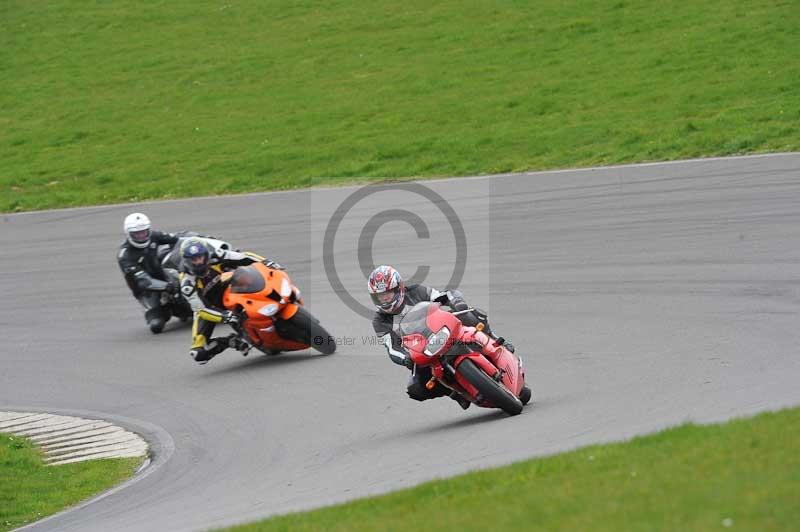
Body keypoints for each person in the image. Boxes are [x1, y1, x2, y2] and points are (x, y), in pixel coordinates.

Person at [368, 265, 514, 409]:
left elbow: (444, 295)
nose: (384, 299)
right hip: (422, 350)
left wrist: (456, 302)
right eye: (379, 297)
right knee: (416, 388)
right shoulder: (380, 321)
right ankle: (456, 392)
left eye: (388, 293)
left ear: (399, 288)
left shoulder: (415, 291)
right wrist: (405, 358)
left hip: (442, 328)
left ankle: (496, 340)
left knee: (469, 314)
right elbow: (392, 347)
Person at [178, 237, 282, 364]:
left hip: (230, 288)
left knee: (248, 275)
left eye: (201, 257)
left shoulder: (216, 255)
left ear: (206, 255)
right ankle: (230, 341)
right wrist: (224, 316)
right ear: (187, 261)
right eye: (194, 260)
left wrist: (266, 262)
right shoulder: (187, 283)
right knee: (198, 353)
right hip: (210, 307)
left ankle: (278, 298)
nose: (199, 262)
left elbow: (243, 257)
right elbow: (201, 310)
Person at [117, 212, 187, 333]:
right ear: (129, 234)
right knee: (156, 325)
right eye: (137, 234)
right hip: (146, 290)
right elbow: (144, 281)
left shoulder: (154, 236)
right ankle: (169, 309)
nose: (141, 236)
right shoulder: (125, 256)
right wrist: (168, 286)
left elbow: (177, 239)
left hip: (162, 274)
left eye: (144, 232)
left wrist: (197, 240)